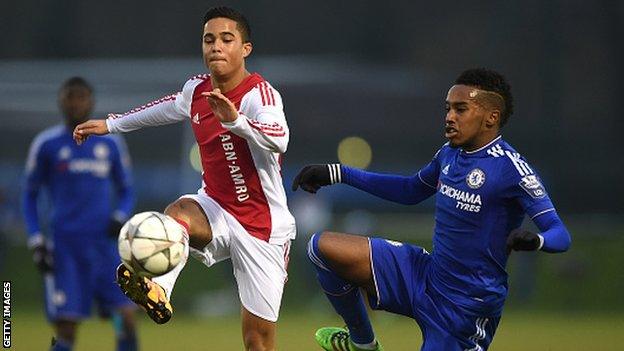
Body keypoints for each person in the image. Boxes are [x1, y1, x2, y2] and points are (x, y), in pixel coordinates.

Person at [292, 68, 572, 351]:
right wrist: (339, 173)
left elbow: (560, 234)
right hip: (426, 275)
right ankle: (362, 344)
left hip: (466, 307)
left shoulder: (512, 169)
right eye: (448, 108)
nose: (450, 117)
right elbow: (411, 190)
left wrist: (537, 240)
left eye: (461, 109)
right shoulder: (449, 154)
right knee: (322, 248)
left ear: (492, 117)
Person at [73, 7, 295, 351]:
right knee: (177, 213)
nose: (216, 47)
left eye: (226, 39)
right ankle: (159, 290)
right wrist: (112, 124)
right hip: (215, 208)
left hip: (263, 228)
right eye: (209, 40)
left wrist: (235, 121)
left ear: (245, 49)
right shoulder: (197, 90)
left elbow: (279, 137)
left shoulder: (259, 95)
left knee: (258, 343)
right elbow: (165, 107)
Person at [22, 77, 138, 351]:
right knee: (67, 329)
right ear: (61, 101)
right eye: (70, 97)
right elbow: (29, 195)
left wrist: (119, 216)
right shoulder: (47, 144)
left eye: (81, 97)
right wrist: (36, 241)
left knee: (125, 318)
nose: (76, 103)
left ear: (91, 101)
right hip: (65, 249)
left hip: (104, 248)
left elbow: (127, 189)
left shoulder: (110, 143)